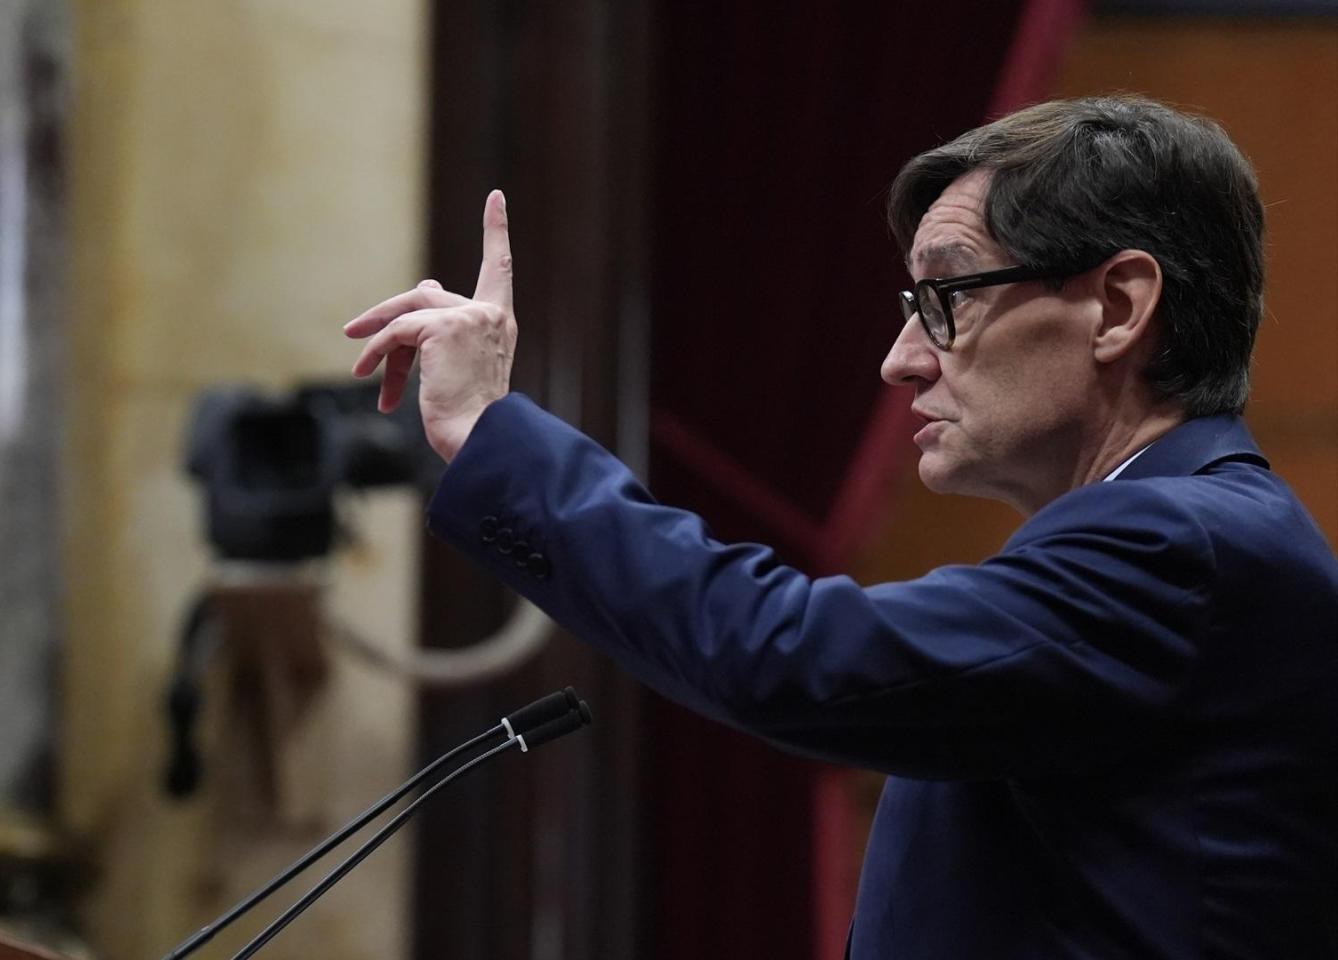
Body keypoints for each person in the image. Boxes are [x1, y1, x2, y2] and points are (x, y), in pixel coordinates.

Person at [344, 96, 1337, 958]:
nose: (900, 360)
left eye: (945, 299)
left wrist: (489, 435)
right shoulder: (1169, 537)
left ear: (1116, 306)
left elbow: (794, 655)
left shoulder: (1180, 548)